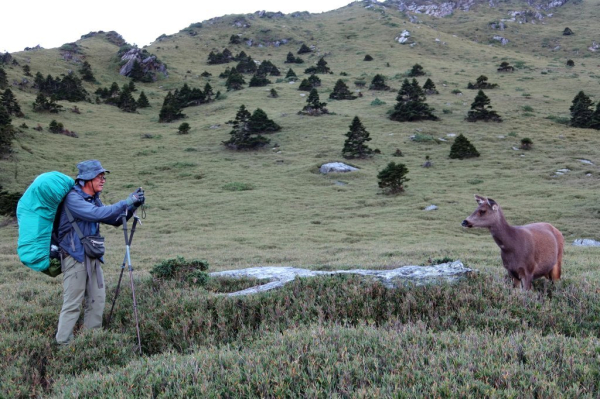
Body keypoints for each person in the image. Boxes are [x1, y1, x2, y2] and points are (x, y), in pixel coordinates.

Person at [55, 160, 145, 345]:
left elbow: (114, 220)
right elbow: (98, 215)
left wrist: (132, 206)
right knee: (72, 304)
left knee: (97, 300)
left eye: (103, 176)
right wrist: (125, 202)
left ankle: (90, 343)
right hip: (74, 256)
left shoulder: (93, 199)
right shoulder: (73, 199)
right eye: (99, 176)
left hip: (92, 255)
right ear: (87, 179)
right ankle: (63, 346)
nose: (103, 180)